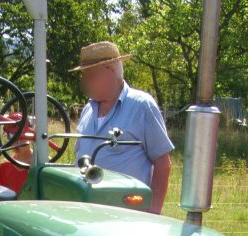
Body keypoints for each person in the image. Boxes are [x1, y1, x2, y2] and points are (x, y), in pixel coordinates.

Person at [70, 41, 174, 215]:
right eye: (83, 75)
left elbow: (163, 163)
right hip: (85, 216)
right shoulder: (88, 109)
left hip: (127, 217)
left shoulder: (141, 105)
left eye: (90, 75)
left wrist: (153, 214)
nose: (84, 81)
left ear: (110, 70)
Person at [0, 112, 34, 195]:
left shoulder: (42, 164)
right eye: (12, 137)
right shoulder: (5, 167)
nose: (16, 143)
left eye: (21, 137)